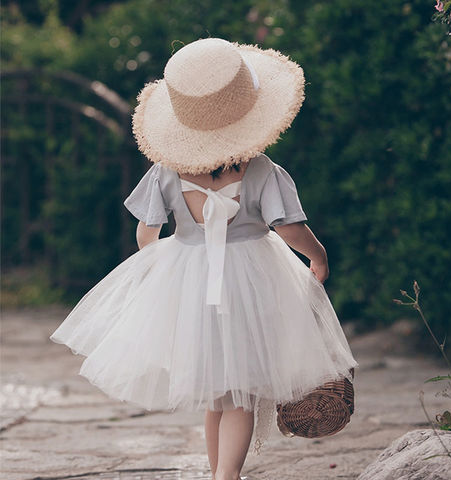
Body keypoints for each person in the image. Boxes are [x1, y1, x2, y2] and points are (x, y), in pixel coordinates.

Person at [49, 37, 359, 480]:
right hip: (252, 276)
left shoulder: (166, 171)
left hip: (190, 274)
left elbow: (147, 230)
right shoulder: (261, 169)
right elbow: (287, 227)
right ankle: (226, 476)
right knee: (240, 393)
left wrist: (160, 269)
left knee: (219, 393)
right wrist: (318, 256)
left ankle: (219, 472)